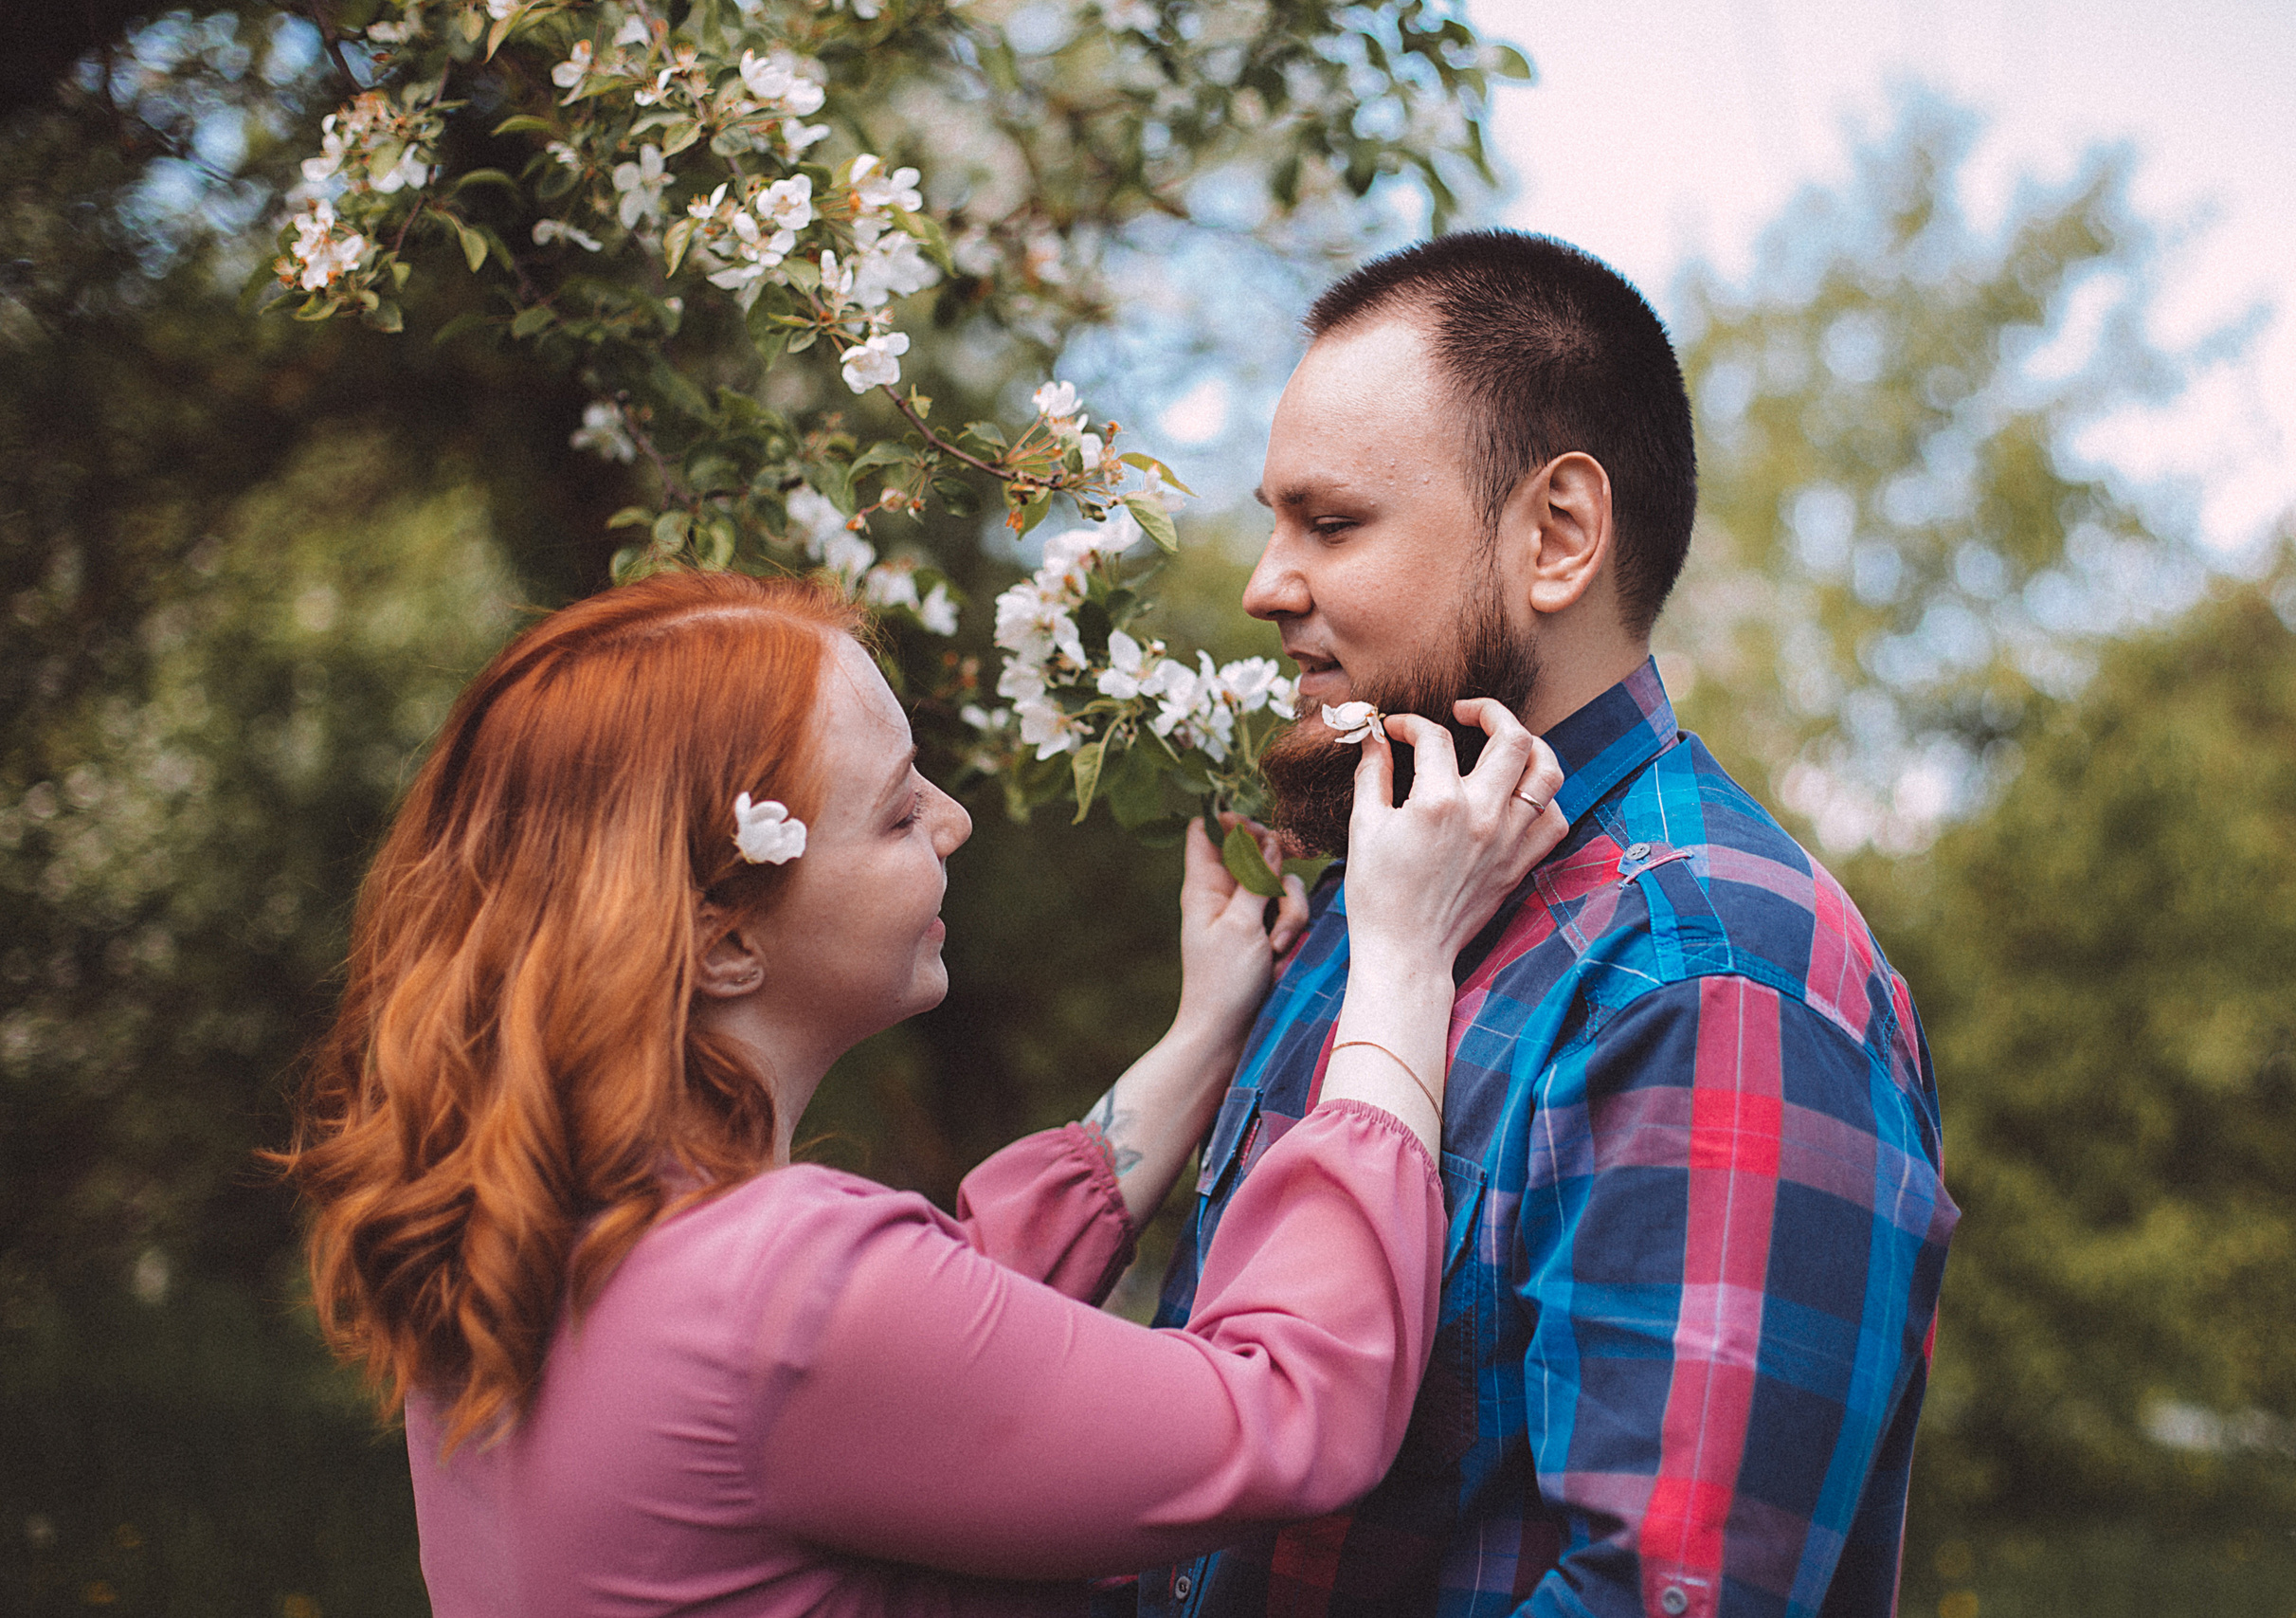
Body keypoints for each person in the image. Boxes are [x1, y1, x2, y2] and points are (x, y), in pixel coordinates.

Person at [275, 570, 1572, 1617]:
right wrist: (1403, 957)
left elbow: (942, 1326)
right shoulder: (781, 1293)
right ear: (725, 938)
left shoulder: (543, 1241)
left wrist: (1202, 1035)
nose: (953, 821)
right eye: (897, 814)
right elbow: (1291, 1414)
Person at [1133, 232, 1959, 1618]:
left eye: (1330, 524)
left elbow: (1665, 1595)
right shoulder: (1380, 902)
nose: (1265, 585)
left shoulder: (1711, 978)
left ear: (1559, 536)